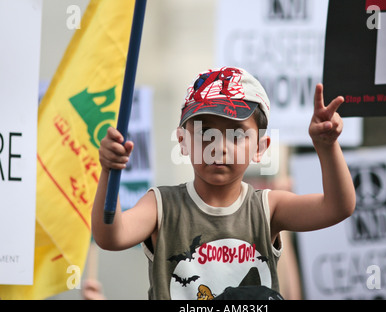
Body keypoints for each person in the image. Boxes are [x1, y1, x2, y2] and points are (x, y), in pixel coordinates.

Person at [91, 66, 356, 300]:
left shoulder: (268, 206)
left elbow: (338, 207)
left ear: (261, 147)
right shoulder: (161, 206)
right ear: (182, 141)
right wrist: (109, 170)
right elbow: (110, 236)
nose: (219, 146)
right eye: (205, 132)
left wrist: (327, 147)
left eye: (236, 134)